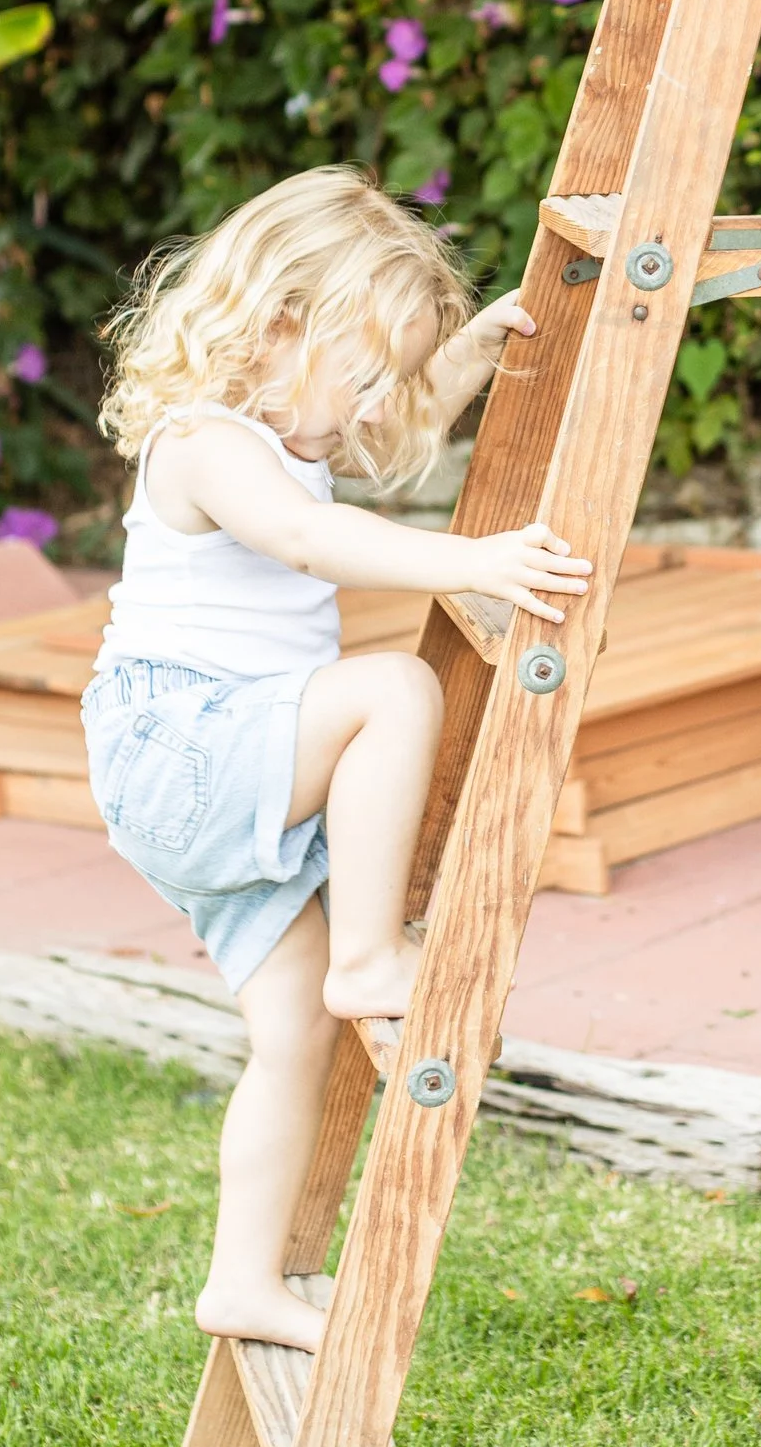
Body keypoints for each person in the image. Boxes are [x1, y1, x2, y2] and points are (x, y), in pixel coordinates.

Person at [88, 167, 590, 1352]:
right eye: (361, 375)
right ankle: (370, 955)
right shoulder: (209, 444)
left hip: (217, 766)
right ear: (274, 325)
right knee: (389, 692)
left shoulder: (284, 426)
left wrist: (455, 366)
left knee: (291, 1036)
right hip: (191, 746)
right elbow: (312, 536)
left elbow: (363, 463)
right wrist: (470, 564)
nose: (371, 407)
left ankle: (243, 1280)